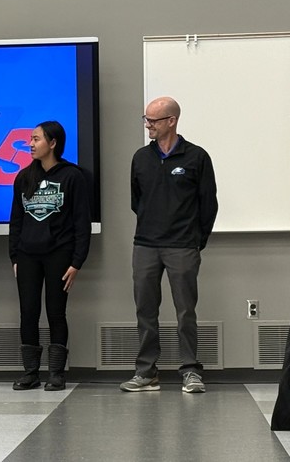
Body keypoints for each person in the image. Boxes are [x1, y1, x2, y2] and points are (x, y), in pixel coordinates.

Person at [120, 97, 217, 394]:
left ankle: (190, 371)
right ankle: (147, 372)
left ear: (171, 121)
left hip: (183, 246)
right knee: (145, 310)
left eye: (154, 120)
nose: (148, 125)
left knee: (186, 311)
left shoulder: (196, 157)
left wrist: (194, 241)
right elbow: (137, 201)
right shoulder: (140, 158)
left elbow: (208, 205)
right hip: (146, 245)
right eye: (146, 119)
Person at [8, 121, 92, 391]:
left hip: (59, 254)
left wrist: (77, 261)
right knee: (28, 312)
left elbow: (82, 222)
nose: (30, 144)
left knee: (56, 312)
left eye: (36, 139)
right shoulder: (23, 177)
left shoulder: (72, 176)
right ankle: (30, 372)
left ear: (53, 143)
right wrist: (15, 257)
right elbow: (16, 221)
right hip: (27, 255)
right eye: (30, 139)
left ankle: (56, 373)